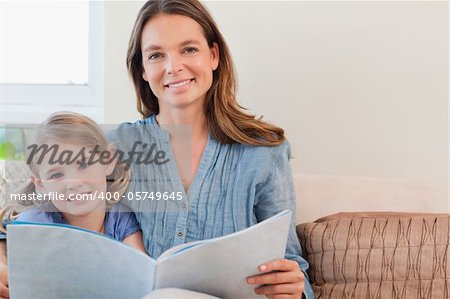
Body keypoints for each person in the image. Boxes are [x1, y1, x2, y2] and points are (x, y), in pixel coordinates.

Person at [112, 0, 314, 298]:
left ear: (214, 55)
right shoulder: (115, 147)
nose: (173, 67)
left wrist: (293, 287)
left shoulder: (264, 151)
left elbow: (290, 263)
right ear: (143, 70)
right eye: (156, 55)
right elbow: (43, 216)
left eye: (189, 49)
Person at [0, 112, 147, 297]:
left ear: (108, 162)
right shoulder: (37, 223)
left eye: (84, 164)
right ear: (41, 184)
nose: (74, 183)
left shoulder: (120, 216)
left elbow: (141, 271)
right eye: (56, 175)